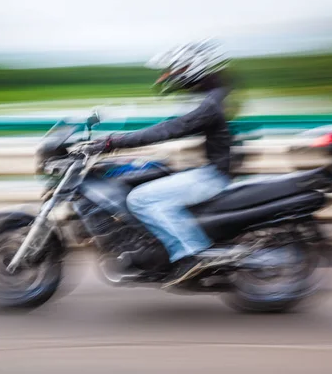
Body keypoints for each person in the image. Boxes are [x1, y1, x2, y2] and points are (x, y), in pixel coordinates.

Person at [88, 40, 236, 285]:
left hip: (214, 175)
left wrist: (112, 143)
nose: (169, 76)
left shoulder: (210, 104)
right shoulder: (212, 96)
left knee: (140, 199)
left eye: (175, 71)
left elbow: (171, 128)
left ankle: (192, 256)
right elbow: (169, 126)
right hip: (209, 169)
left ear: (192, 67)